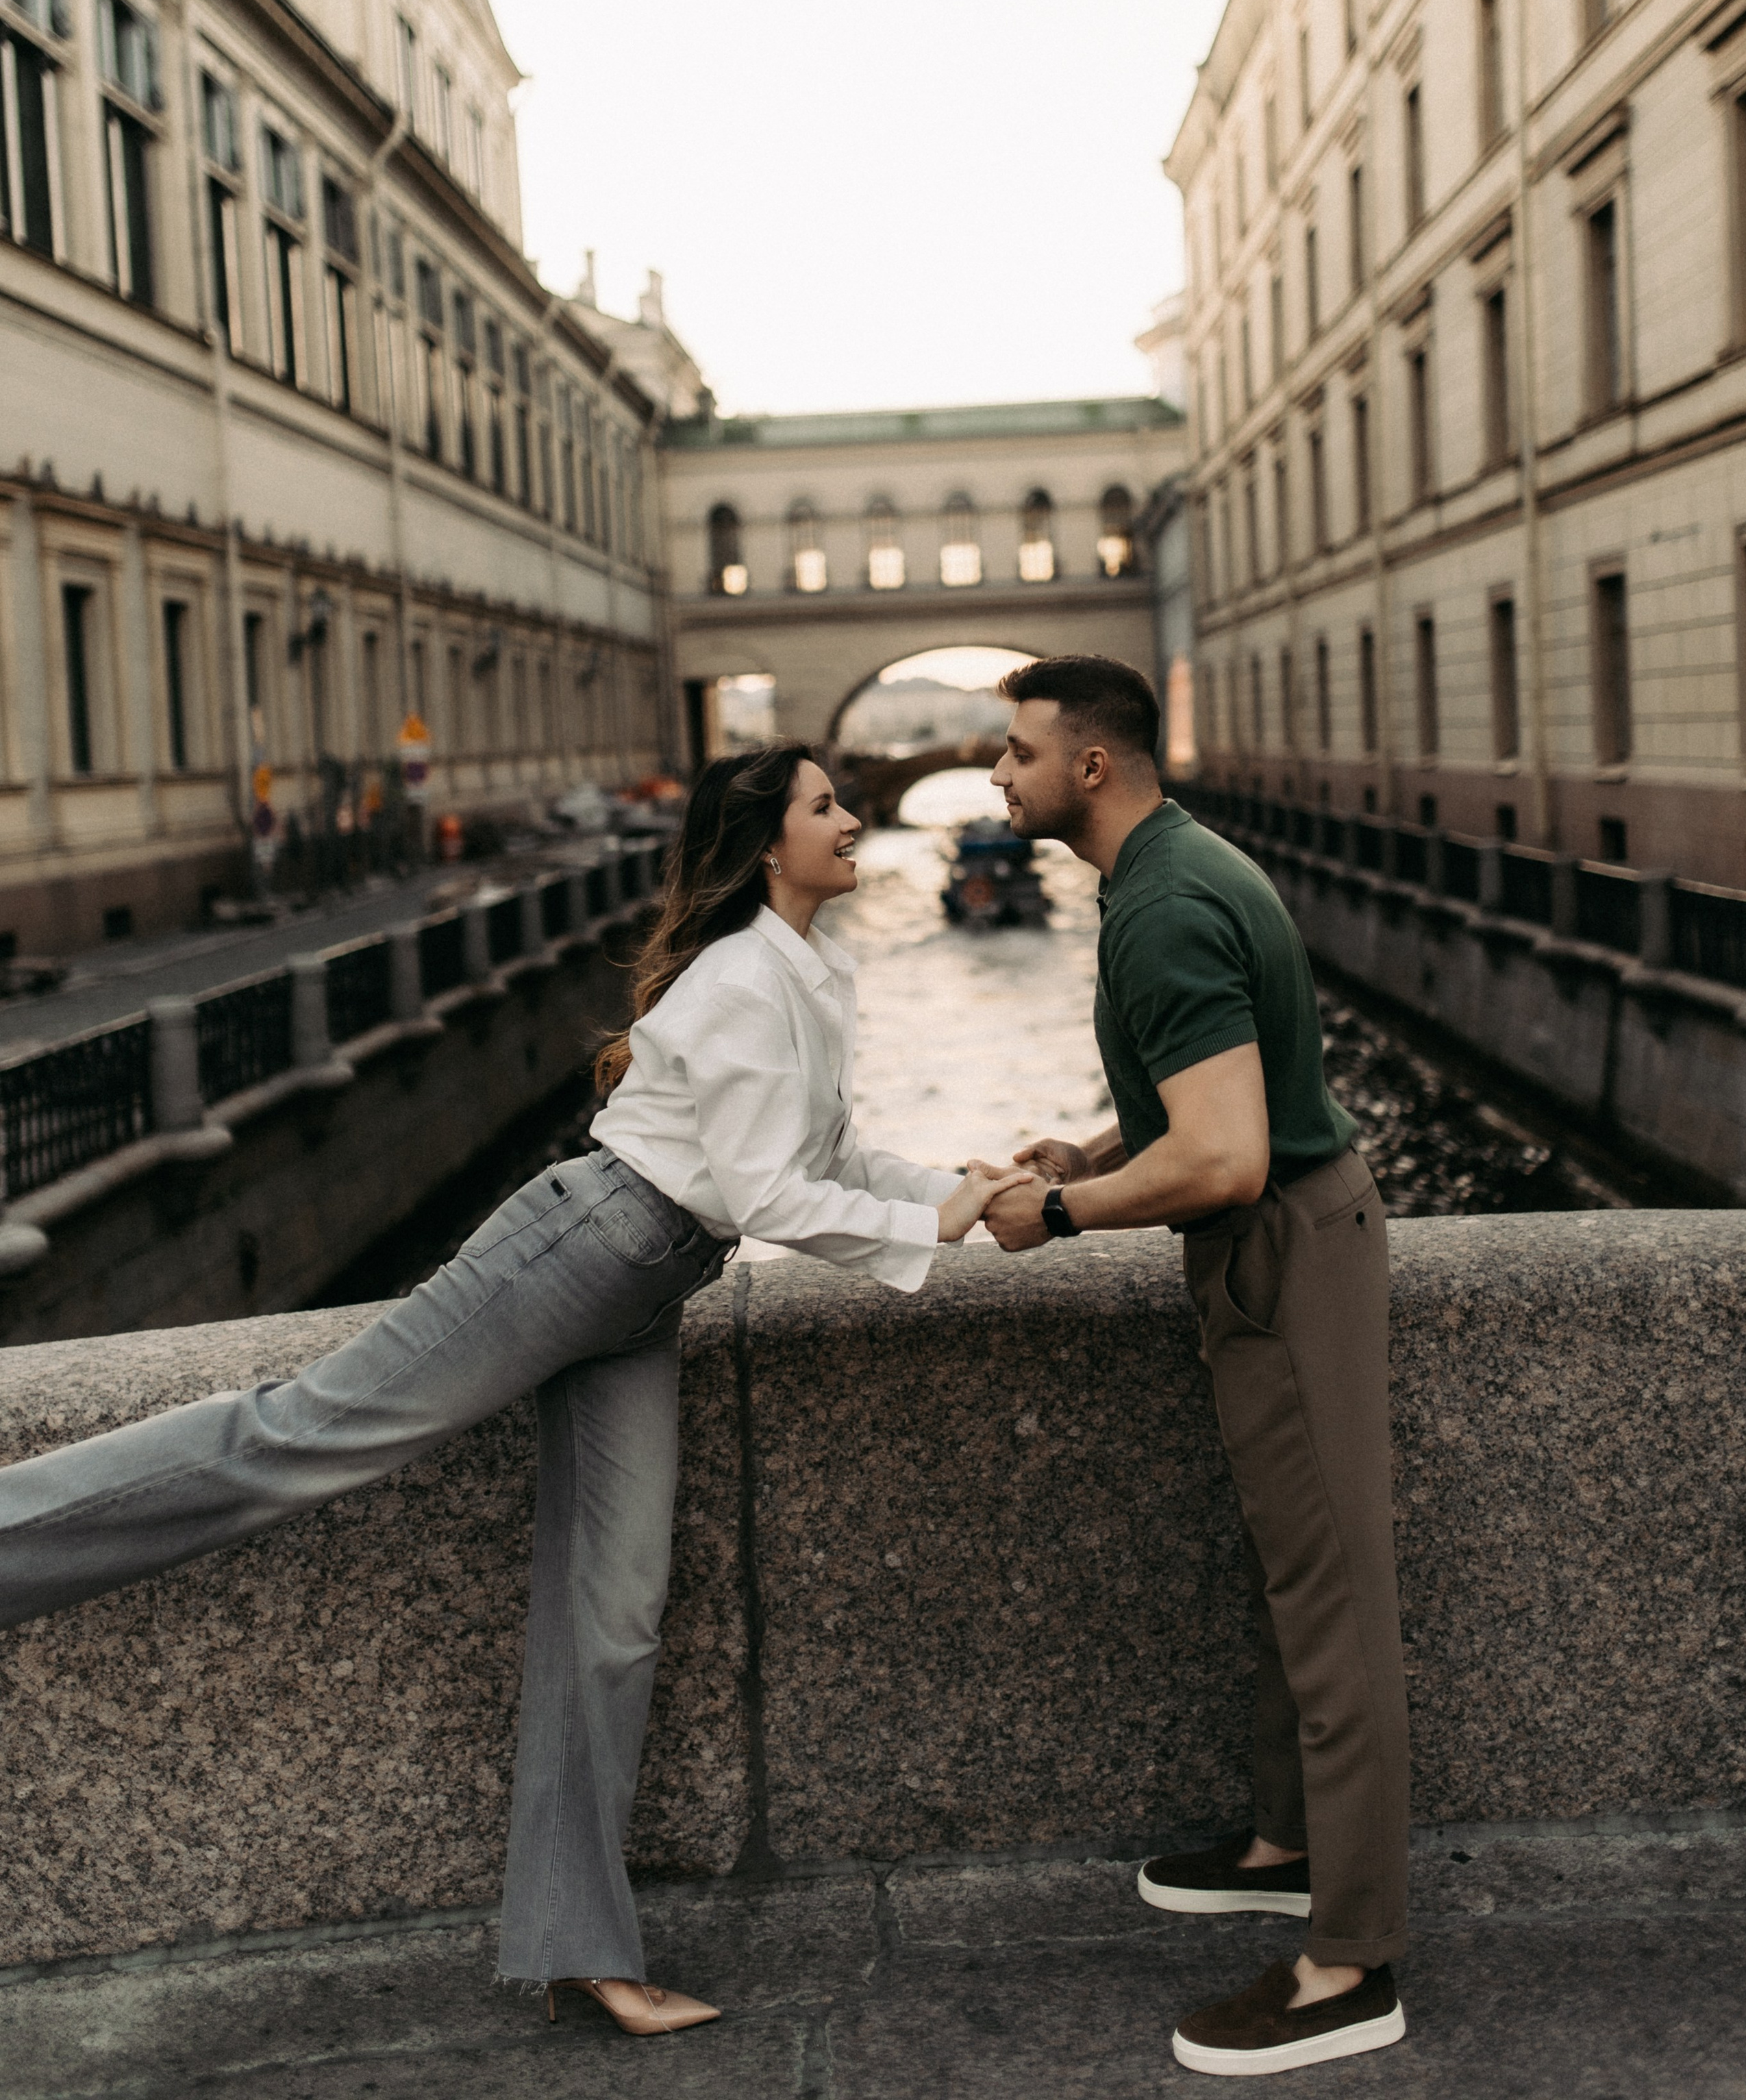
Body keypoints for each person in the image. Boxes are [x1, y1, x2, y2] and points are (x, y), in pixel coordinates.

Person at [0, 743, 1023, 2040]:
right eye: (826, 805)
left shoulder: (808, 969)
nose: (853, 818)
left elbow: (830, 1154)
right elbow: (769, 1194)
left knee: (617, 1610)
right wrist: (932, 1226)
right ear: (770, 843)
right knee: (298, 1434)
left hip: (649, 1283)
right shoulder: (740, 978)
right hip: (583, 1242)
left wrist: (958, 1189)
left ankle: (578, 1942)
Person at [981, 655, 1409, 2079]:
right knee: (1294, 1571)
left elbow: (1224, 1155)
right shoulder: (1173, 864)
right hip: (1289, 1238)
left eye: (1017, 751)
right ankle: (1287, 1845)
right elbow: (1223, 1091)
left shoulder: (1160, 908)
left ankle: (1351, 1962)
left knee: (1334, 1603)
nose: (997, 773)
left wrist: (1057, 1209)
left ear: (1089, 765)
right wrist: (1098, 1146)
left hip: (1282, 1252)